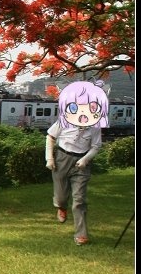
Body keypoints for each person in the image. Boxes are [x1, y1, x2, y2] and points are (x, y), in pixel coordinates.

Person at [45, 81, 109, 246]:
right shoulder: (64, 120)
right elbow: (50, 137)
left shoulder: (95, 127)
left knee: (79, 199)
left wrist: (85, 159)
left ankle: (81, 234)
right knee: (60, 197)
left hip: (81, 163)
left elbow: (96, 147)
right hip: (61, 158)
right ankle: (61, 206)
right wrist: (50, 158)